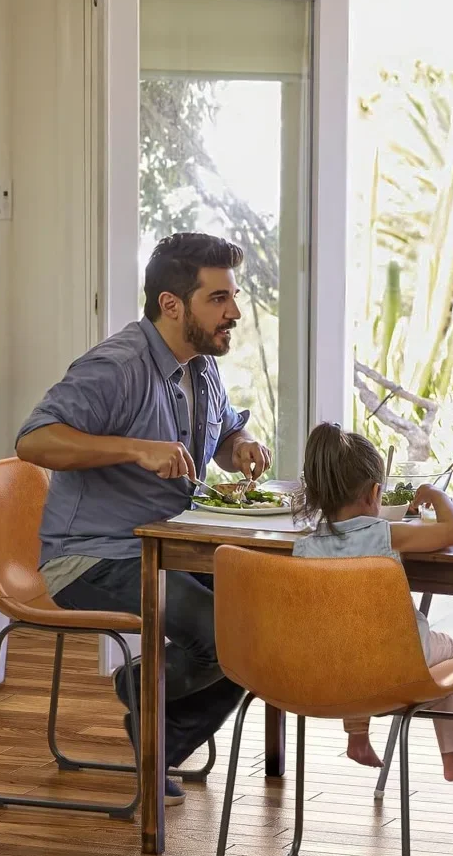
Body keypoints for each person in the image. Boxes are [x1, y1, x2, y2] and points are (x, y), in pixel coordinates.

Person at [16, 232, 273, 806]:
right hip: (92, 556)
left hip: (170, 546)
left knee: (262, 620)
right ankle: (147, 711)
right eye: (218, 299)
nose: (233, 312)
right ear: (171, 304)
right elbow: (34, 440)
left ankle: (154, 725)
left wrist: (243, 445)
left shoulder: (200, 365)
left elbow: (226, 433)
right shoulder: (116, 365)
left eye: (233, 296)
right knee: (222, 639)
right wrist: (132, 448)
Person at [294, 423, 453, 781]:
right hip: (400, 661)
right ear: (375, 494)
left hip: (331, 667)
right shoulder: (385, 533)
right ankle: (452, 755)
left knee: (350, 646)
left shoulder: (304, 547)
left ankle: (357, 736)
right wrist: (436, 493)